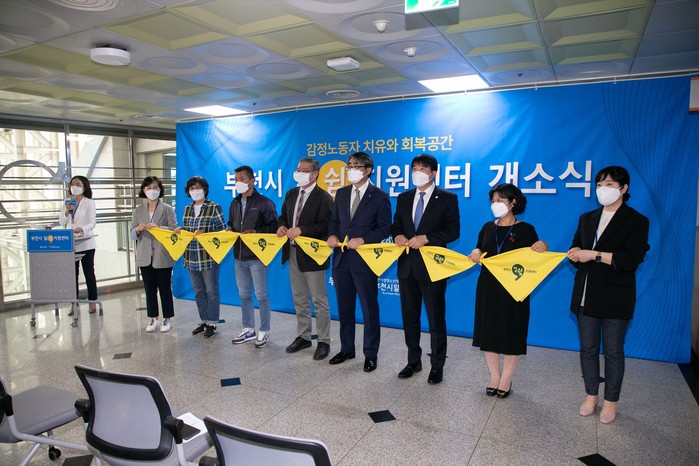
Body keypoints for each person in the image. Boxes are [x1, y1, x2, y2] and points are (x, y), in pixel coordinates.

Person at [567, 166, 649, 424]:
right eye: (600, 185)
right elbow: (576, 246)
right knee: (588, 349)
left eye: (610, 185)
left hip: (615, 297)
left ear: (623, 188)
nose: (603, 189)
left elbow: (630, 260)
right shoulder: (587, 218)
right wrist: (575, 254)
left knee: (613, 351)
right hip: (586, 294)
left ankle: (611, 401)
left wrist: (594, 255)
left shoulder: (636, 221)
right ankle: (591, 395)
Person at [468, 183, 548, 398]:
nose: (495, 204)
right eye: (493, 201)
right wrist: (476, 250)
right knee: (489, 331)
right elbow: (479, 247)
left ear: (513, 202)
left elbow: (536, 256)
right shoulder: (487, 227)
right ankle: (494, 375)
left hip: (515, 289)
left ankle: (507, 378)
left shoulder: (526, 229)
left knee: (513, 331)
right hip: (488, 286)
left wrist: (544, 246)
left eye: (500, 200)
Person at [392, 154, 460, 384]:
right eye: (414, 169)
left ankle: (437, 365)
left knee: (435, 320)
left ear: (433, 173)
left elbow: (453, 231)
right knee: (409, 318)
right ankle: (413, 361)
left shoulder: (447, 198)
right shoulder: (404, 197)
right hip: (407, 267)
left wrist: (427, 238)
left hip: (432, 268)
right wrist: (398, 235)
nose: (417, 173)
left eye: (422, 169)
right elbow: (396, 225)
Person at [327, 152, 391, 372]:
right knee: (345, 308)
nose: (352, 169)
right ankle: (347, 349)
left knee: (368, 309)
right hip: (341, 259)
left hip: (364, 261)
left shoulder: (380, 196)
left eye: (356, 165)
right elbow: (334, 220)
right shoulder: (341, 193)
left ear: (368, 170)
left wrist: (363, 239)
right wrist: (332, 235)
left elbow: (384, 228)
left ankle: (370, 354)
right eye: (349, 165)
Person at [277, 158, 334, 360]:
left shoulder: (324, 197)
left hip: (313, 254)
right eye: (298, 169)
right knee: (299, 298)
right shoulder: (292, 193)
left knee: (319, 300)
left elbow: (326, 226)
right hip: (293, 252)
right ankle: (303, 336)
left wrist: (302, 230)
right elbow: (283, 216)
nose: (299, 173)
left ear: (314, 174)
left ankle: (324, 340)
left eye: (304, 170)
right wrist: (281, 226)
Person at [228, 166, 279, 349]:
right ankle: (248, 329)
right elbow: (231, 223)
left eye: (242, 179)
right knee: (244, 294)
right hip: (239, 256)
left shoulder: (265, 203)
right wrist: (229, 229)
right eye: (236, 179)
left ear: (252, 181)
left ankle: (264, 330)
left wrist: (256, 231)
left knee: (261, 295)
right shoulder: (234, 203)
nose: (238, 182)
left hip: (257, 256)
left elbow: (274, 227)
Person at [174, 176, 225, 338]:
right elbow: (187, 229)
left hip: (208, 256)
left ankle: (212, 322)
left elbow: (223, 231)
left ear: (205, 189)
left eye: (198, 188)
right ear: (188, 191)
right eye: (192, 188)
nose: (195, 191)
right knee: (198, 291)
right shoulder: (187, 208)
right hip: (191, 256)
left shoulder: (214, 207)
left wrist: (207, 233)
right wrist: (180, 229)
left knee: (211, 290)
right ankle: (204, 320)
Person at [131, 176, 178, 333]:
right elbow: (132, 233)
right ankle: (153, 318)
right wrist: (138, 230)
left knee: (165, 288)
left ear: (160, 190)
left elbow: (174, 230)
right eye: (149, 188)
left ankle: (167, 318)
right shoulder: (138, 210)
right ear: (144, 190)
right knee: (149, 289)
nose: (152, 191)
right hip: (144, 255)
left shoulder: (167, 209)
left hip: (162, 254)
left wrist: (159, 228)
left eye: (155, 187)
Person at [58, 175, 97, 315]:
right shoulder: (67, 202)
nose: (74, 186)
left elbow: (92, 222)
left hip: (86, 242)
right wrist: (66, 211)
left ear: (84, 187)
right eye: (72, 183)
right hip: (71, 243)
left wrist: (83, 229)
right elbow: (62, 222)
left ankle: (92, 301)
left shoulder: (89, 202)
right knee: (72, 275)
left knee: (89, 273)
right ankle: (73, 303)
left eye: (78, 184)